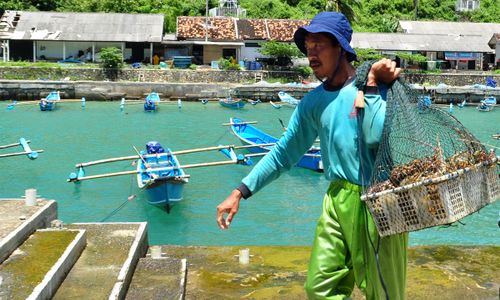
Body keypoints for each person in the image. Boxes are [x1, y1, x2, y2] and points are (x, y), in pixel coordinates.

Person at [216, 12, 407, 299]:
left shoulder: (375, 85)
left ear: (340, 48)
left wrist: (371, 86)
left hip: (380, 199)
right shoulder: (313, 103)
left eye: (319, 44)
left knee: (384, 293)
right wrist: (240, 191)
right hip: (337, 199)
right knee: (320, 287)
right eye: (308, 47)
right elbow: (283, 153)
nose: (311, 53)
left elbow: (375, 135)